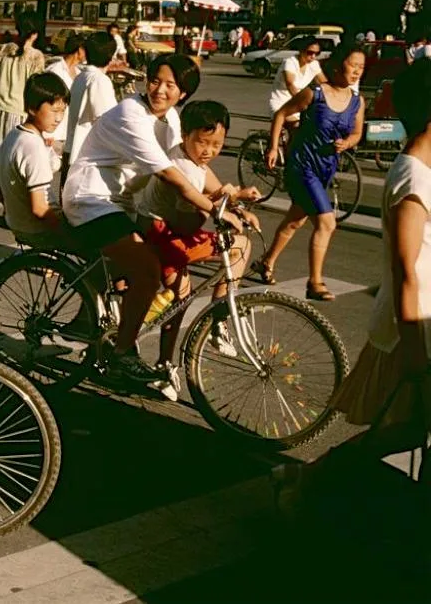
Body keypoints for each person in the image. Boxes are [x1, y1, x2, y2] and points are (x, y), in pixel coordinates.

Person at [275, 58, 431, 500]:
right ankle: (307, 482)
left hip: (420, 323)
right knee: (397, 432)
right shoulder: (413, 181)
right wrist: (417, 361)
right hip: (412, 331)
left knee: (406, 431)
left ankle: (309, 483)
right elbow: (405, 276)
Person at [62, 54, 233, 382]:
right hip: (92, 200)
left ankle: (141, 349)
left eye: (171, 85)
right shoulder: (132, 113)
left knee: (168, 276)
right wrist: (212, 209)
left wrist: (230, 198)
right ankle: (122, 354)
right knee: (147, 270)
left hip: (124, 204)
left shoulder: (171, 121)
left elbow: (191, 162)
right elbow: (171, 174)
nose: (160, 90)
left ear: (183, 93)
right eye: (155, 81)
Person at [136, 100, 261, 391]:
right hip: (161, 231)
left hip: (164, 228)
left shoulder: (194, 161)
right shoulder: (186, 168)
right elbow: (187, 223)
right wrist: (219, 211)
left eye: (217, 144)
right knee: (234, 249)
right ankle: (216, 321)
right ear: (185, 136)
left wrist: (238, 203)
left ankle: (167, 363)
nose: (209, 151)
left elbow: (217, 193)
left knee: (183, 295)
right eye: (203, 142)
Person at [253, 43, 367, 301]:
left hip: (327, 167)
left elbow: (357, 133)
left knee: (296, 219)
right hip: (302, 164)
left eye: (362, 67)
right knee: (327, 222)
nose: (357, 71)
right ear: (338, 65)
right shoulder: (314, 94)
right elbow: (282, 114)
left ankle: (265, 261)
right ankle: (314, 282)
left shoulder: (358, 101)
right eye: (353, 65)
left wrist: (347, 143)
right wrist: (273, 148)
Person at [0, 11, 45, 215]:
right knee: (11, 162)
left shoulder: (6, 50)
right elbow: (35, 91)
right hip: (19, 114)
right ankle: (9, 206)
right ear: (34, 34)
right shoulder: (36, 57)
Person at [0, 72, 70, 249]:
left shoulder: (14, 135)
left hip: (17, 223)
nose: (59, 118)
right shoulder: (32, 145)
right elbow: (39, 208)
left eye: (63, 111)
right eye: (54, 111)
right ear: (32, 108)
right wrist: (67, 232)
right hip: (39, 230)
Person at [63, 31, 118, 186]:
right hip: (86, 158)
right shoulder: (100, 80)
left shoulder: (81, 77)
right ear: (111, 56)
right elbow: (107, 121)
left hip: (72, 150)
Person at [44, 35, 85, 169]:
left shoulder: (80, 73)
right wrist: (46, 133)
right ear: (79, 50)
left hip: (70, 132)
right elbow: (45, 102)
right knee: (47, 170)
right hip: (53, 133)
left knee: (67, 174)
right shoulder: (55, 70)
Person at [269, 36, 327, 127]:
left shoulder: (314, 64)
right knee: (298, 126)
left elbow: (325, 83)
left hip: (299, 106)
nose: (313, 56)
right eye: (310, 52)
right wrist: (303, 101)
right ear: (301, 50)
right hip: (281, 104)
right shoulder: (290, 62)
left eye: (317, 53)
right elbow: (290, 84)